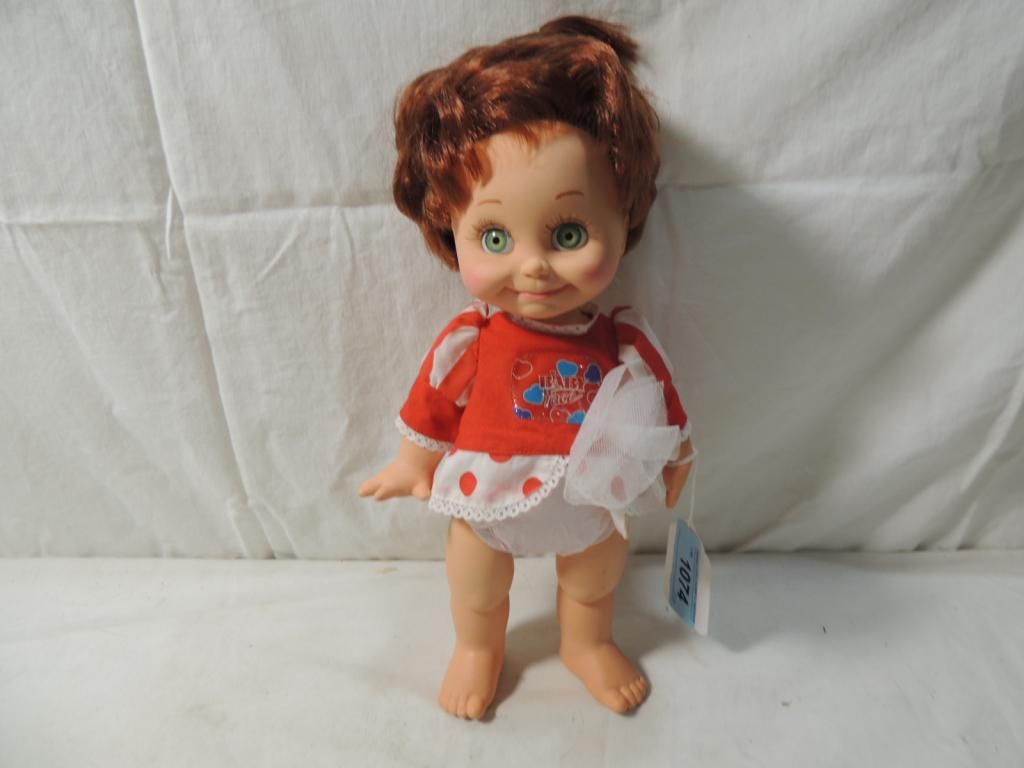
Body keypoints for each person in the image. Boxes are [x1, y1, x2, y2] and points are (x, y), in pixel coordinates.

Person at [360, 15, 694, 720]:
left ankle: (586, 643)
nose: (534, 266)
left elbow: (659, 401)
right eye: (494, 237)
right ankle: (478, 648)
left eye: (569, 233)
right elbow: (435, 397)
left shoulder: (622, 340)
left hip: (592, 492)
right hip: (487, 490)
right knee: (476, 581)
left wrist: (677, 456)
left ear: (624, 220)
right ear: (450, 231)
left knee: (594, 580)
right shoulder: (473, 338)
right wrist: (413, 462)